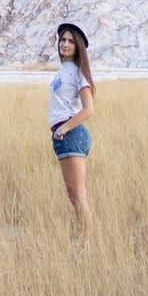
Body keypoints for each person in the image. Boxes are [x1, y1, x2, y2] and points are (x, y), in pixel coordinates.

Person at [50, 21, 96, 239]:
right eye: (63, 40)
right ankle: (82, 239)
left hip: (71, 135)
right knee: (73, 195)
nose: (65, 44)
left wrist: (63, 129)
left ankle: (87, 243)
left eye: (70, 41)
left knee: (78, 196)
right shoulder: (63, 71)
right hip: (65, 136)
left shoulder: (78, 73)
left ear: (78, 47)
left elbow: (89, 109)